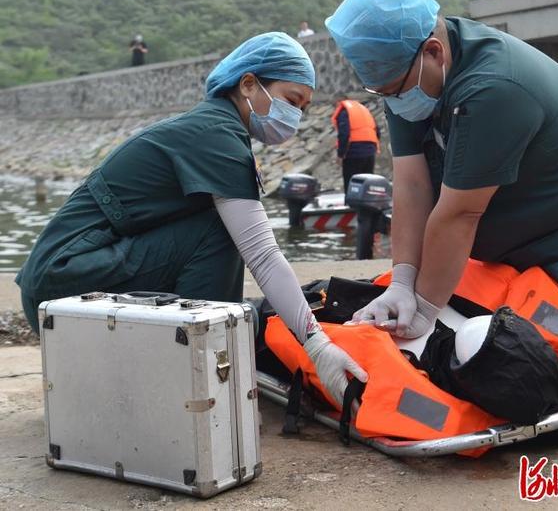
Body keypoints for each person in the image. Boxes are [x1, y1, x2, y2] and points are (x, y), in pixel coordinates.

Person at [325, 0, 558, 431]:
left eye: (394, 90)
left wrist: (426, 310)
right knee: (495, 363)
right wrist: (404, 282)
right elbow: (412, 185)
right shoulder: (409, 73)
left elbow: (458, 214)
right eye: (382, 94)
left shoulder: (494, 86)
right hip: (521, 248)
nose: (392, 102)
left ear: (434, 52)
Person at [15, 32, 366, 406]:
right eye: (291, 101)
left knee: (222, 229)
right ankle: (199, 362)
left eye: (304, 108)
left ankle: (193, 352)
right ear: (248, 84)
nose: (295, 116)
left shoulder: (214, 127)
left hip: (58, 281)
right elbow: (261, 254)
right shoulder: (218, 137)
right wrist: (316, 343)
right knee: (222, 227)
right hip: (63, 283)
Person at [331, 98, 380, 193]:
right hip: (370, 152)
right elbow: (377, 131)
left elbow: (344, 134)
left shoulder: (344, 112)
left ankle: (351, 204)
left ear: (339, 103)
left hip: (353, 153)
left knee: (352, 184)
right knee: (367, 185)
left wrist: (341, 155)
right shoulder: (364, 111)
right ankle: (367, 206)